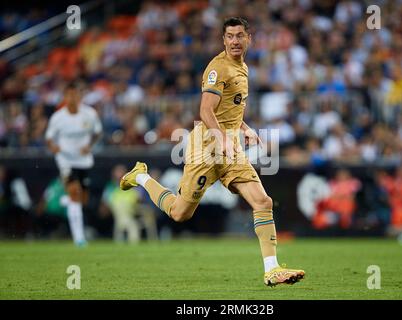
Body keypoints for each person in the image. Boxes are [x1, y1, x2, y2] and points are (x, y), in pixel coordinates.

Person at [120, 17, 305, 286]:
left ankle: (272, 269)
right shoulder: (218, 68)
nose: (234, 41)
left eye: (239, 35)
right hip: (206, 147)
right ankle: (140, 177)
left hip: (229, 146)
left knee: (262, 201)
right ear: (223, 40)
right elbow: (206, 110)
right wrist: (224, 140)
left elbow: (228, 109)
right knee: (180, 213)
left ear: (248, 38)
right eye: (229, 36)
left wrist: (244, 128)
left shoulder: (243, 69)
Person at [45, 82, 102, 246]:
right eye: (69, 94)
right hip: (66, 159)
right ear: (65, 97)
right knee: (75, 192)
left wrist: (89, 146)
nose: (72, 98)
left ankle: (66, 201)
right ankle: (79, 238)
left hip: (84, 160)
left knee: (82, 199)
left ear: (80, 96)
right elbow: (49, 138)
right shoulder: (58, 117)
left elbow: (97, 133)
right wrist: (54, 148)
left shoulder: (90, 114)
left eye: (76, 94)